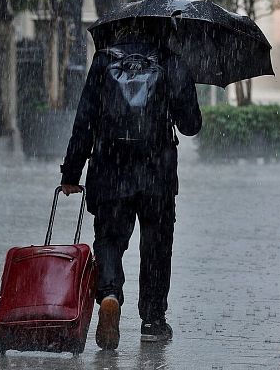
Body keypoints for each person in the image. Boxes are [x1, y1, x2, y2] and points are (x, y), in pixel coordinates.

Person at [59, 25, 202, 349]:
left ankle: (109, 294)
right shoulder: (171, 61)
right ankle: (152, 320)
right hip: (157, 174)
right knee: (156, 246)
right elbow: (191, 125)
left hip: (110, 167)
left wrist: (71, 172)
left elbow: (84, 121)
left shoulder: (103, 61)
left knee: (109, 240)